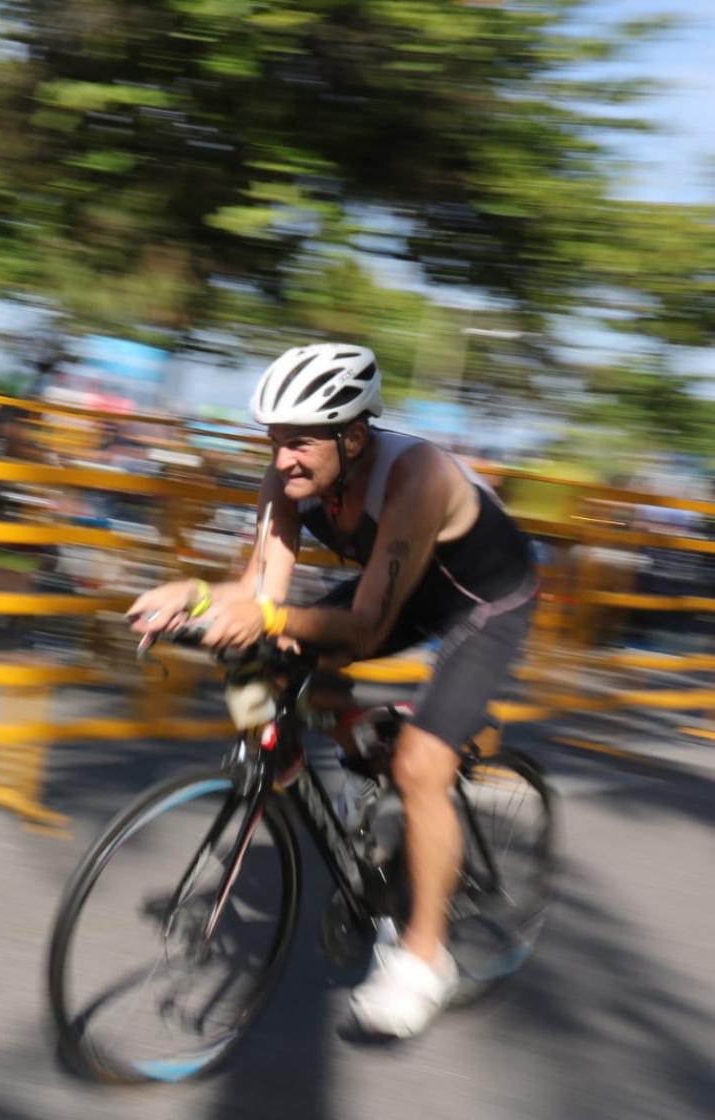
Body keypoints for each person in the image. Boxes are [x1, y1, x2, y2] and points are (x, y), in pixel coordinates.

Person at [128, 342, 538, 1039]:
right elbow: (260, 592)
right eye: (274, 441)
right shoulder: (287, 476)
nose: (282, 458)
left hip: (483, 602)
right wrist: (193, 597)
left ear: (353, 436)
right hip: (401, 586)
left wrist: (260, 617)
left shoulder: (417, 477)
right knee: (269, 659)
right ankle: (339, 754)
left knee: (421, 765)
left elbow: (362, 626)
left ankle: (423, 959)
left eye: (299, 442)